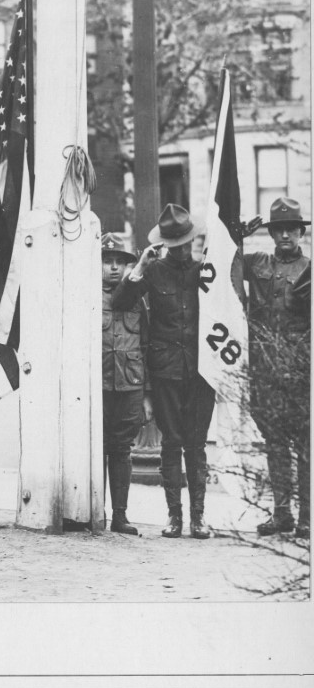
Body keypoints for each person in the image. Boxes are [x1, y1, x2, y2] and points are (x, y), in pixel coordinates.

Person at [112, 204, 214, 539]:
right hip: (166, 370)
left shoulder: (204, 270)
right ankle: (175, 518)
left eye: (186, 241)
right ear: (166, 244)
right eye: (176, 243)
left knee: (196, 445)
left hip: (200, 371)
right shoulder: (154, 272)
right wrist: (140, 264)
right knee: (172, 443)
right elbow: (122, 301)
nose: (183, 248)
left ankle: (198, 518)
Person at [243, 197, 311, 539]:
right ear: (271, 234)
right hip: (265, 371)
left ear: (301, 232)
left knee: (306, 445)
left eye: (291, 229)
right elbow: (220, 268)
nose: (285, 235)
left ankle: (308, 518)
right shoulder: (257, 262)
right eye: (279, 229)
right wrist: (234, 236)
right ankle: (281, 514)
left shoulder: (309, 270)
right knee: (274, 442)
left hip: (301, 372)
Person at [100, 233, 150, 536]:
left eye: (120, 262)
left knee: (122, 449)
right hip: (97, 387)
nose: (114, 268)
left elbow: (146, 344)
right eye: (108, 262)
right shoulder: (85, 298)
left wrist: (147, 395)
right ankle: (94, 512)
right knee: (94, 450)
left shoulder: (136, 300)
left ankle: (120, 515)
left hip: (129, 386)